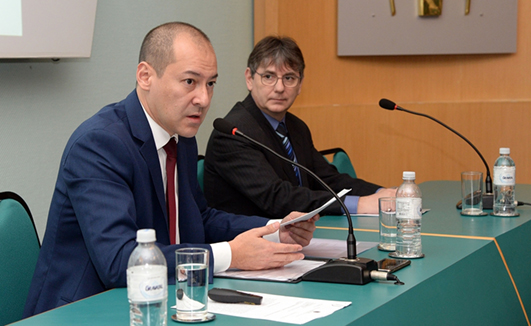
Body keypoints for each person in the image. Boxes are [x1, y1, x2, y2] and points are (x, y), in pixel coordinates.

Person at [23, 23, 319, 317]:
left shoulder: (181, 137)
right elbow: (118, 261)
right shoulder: (99, 144)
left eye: (211, 83)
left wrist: (275, 230)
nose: (203, 99)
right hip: (85, 311)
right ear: (145, 76)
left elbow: (199, 218)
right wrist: (230, 254)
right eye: (190, 82)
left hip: (162, 301)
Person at [204, 36, 396, 219]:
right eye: (269, 76)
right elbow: (277, 197)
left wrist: (383, 194)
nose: (279, 88)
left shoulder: (295, 127)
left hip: (295, 235)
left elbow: (328, 180)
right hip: (249, 241)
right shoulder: (234, 132)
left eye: (289, 78)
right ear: (249, 79)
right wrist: (360, 204)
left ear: (300, 84)